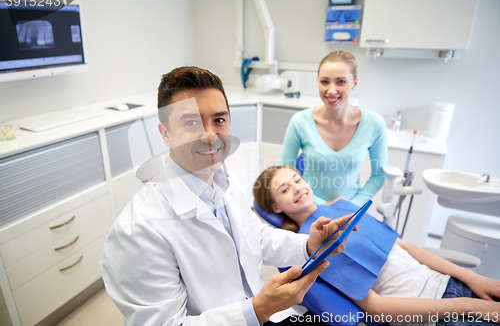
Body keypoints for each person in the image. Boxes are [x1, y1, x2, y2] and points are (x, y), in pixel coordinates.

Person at [99, 66, 355, 326]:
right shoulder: (138, 230)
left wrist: (307, 245)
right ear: (165, 134)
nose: (209, 135)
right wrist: (258, 309)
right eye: (191, 122)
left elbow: (255, 237)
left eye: (219, 120)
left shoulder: (228, 183)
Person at [253, 165, 500, 326]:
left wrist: (472, 279)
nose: (296, 188)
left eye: (297, 180)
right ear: (276, 208)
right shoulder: (308, 247)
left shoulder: (343, 204)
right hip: (435, 315)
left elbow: (404, 246)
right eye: (285, 189)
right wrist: (470, 306)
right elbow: (377, 308)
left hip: (451, 283)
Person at [280, 50, 387, 207]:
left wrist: (353, 206)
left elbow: (379, 175)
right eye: (324, 82)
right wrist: (323, 205)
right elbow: (285, 172)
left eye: (341, 82)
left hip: (352, 210)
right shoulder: (299, 121)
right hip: (309, 207)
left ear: (354, 83)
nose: (331, 90)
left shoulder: (374, 124)